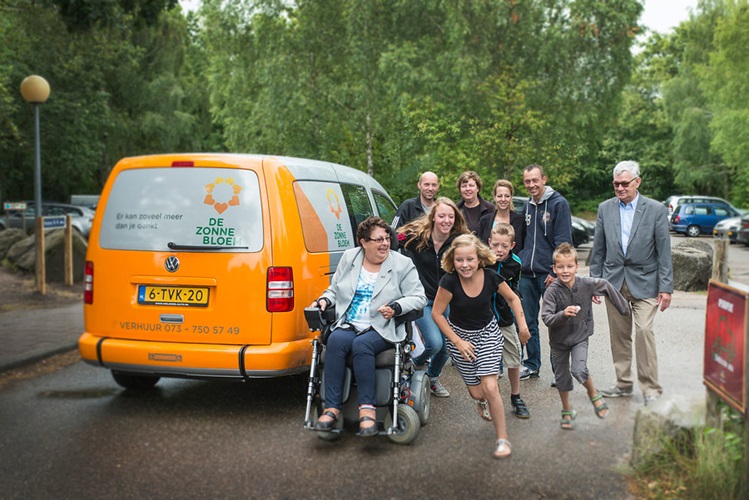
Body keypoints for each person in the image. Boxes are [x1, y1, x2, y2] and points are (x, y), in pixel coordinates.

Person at [311, 217, 427, 436]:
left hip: (383, 327)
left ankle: (367, 409)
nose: (384, 243)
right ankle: (332, 408)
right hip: (350, 323)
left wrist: (396, 306)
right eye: (378, 239)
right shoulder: (349, 258)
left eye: (387, 238)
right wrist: (324, 300)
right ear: (363, 242)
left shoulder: (402, 263)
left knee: (362, 345)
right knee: (335, 341)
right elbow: (334, 289)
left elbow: (418, 297)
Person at [432, 234, 530, 459]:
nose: (464, 265)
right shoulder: (449, 282)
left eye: (469, 260)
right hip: (459, 338)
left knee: (491, 386)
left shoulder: (491, 277)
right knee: (477, 392)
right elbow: (436, 314)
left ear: (479, 259)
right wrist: (457, 341)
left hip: (487, 334)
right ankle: (481, 402)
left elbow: (514, 299)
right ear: (452, 260)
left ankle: (502, 439)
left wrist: (522, 326)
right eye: (459, 260)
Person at [589, 161, 673, 405]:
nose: (619, 187)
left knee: (644, 331)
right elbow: (598, 249)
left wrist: (666, 287)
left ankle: (650, 388)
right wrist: (595, 283)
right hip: (613, 282)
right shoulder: (605, 209)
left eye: (625, 183)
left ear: (637, 182)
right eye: (616, 183)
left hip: (646, 281)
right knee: (619, 335)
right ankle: (623, 383)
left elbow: (664, 251)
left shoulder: (656, 210)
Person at [541, 243, 630, 430]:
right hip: (558, 341)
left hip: (580, 336)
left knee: (579, 369)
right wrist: (563, 314)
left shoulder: (586, 284)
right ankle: (567, 410)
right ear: (554, 268)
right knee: (562, 378)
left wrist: (623, 308)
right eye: (561, 267)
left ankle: (593, 394)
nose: (565, 271)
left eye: (569, 266)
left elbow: (605, 285)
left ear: (576, 266)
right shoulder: (552, 291)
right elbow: (547, 318)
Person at [398, 197, 469, 398]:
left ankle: (432, 377)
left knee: (448, 344)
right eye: (442, 216)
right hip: (422, 298)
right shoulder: (417, 237)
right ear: (433, 217)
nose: (446, 220)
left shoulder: (459, 240)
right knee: (434, 343)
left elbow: (476, 256)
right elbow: (390, 239)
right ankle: (415, 366)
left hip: (447, 299)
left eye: (451, 216)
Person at [517, 164, 573, 382]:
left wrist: (555, 271)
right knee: (528, 322)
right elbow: (523, 239)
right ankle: (532, 364)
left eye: (535, 180)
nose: (531, 185)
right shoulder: (527, 207)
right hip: (526, 275)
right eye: (527, 181)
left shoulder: (559, 204)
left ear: (544, 179)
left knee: (555, 322)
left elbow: (564, 242)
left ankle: (559, 371)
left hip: (548, 275)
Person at [487, 223, 531, 418]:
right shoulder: (482, 261)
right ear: (489, 243)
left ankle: (516, 396)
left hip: (505, 319)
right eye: (495, 245)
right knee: (488, 363)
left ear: (512, 245)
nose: (499, 250)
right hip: (485, 320)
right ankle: (491, 398)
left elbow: (515, 287)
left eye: (504, 246)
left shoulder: (516, 263)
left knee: (514, 359)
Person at [477, 179, 526, 254]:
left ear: (511, 197)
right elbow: (480, 246)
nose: (503, 199)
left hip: (512, 264)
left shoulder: (520, 221)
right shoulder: (485, 221)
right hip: (489, 264)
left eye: (507, 196)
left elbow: (523, 246)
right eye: (499, 196)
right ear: (494, 197)